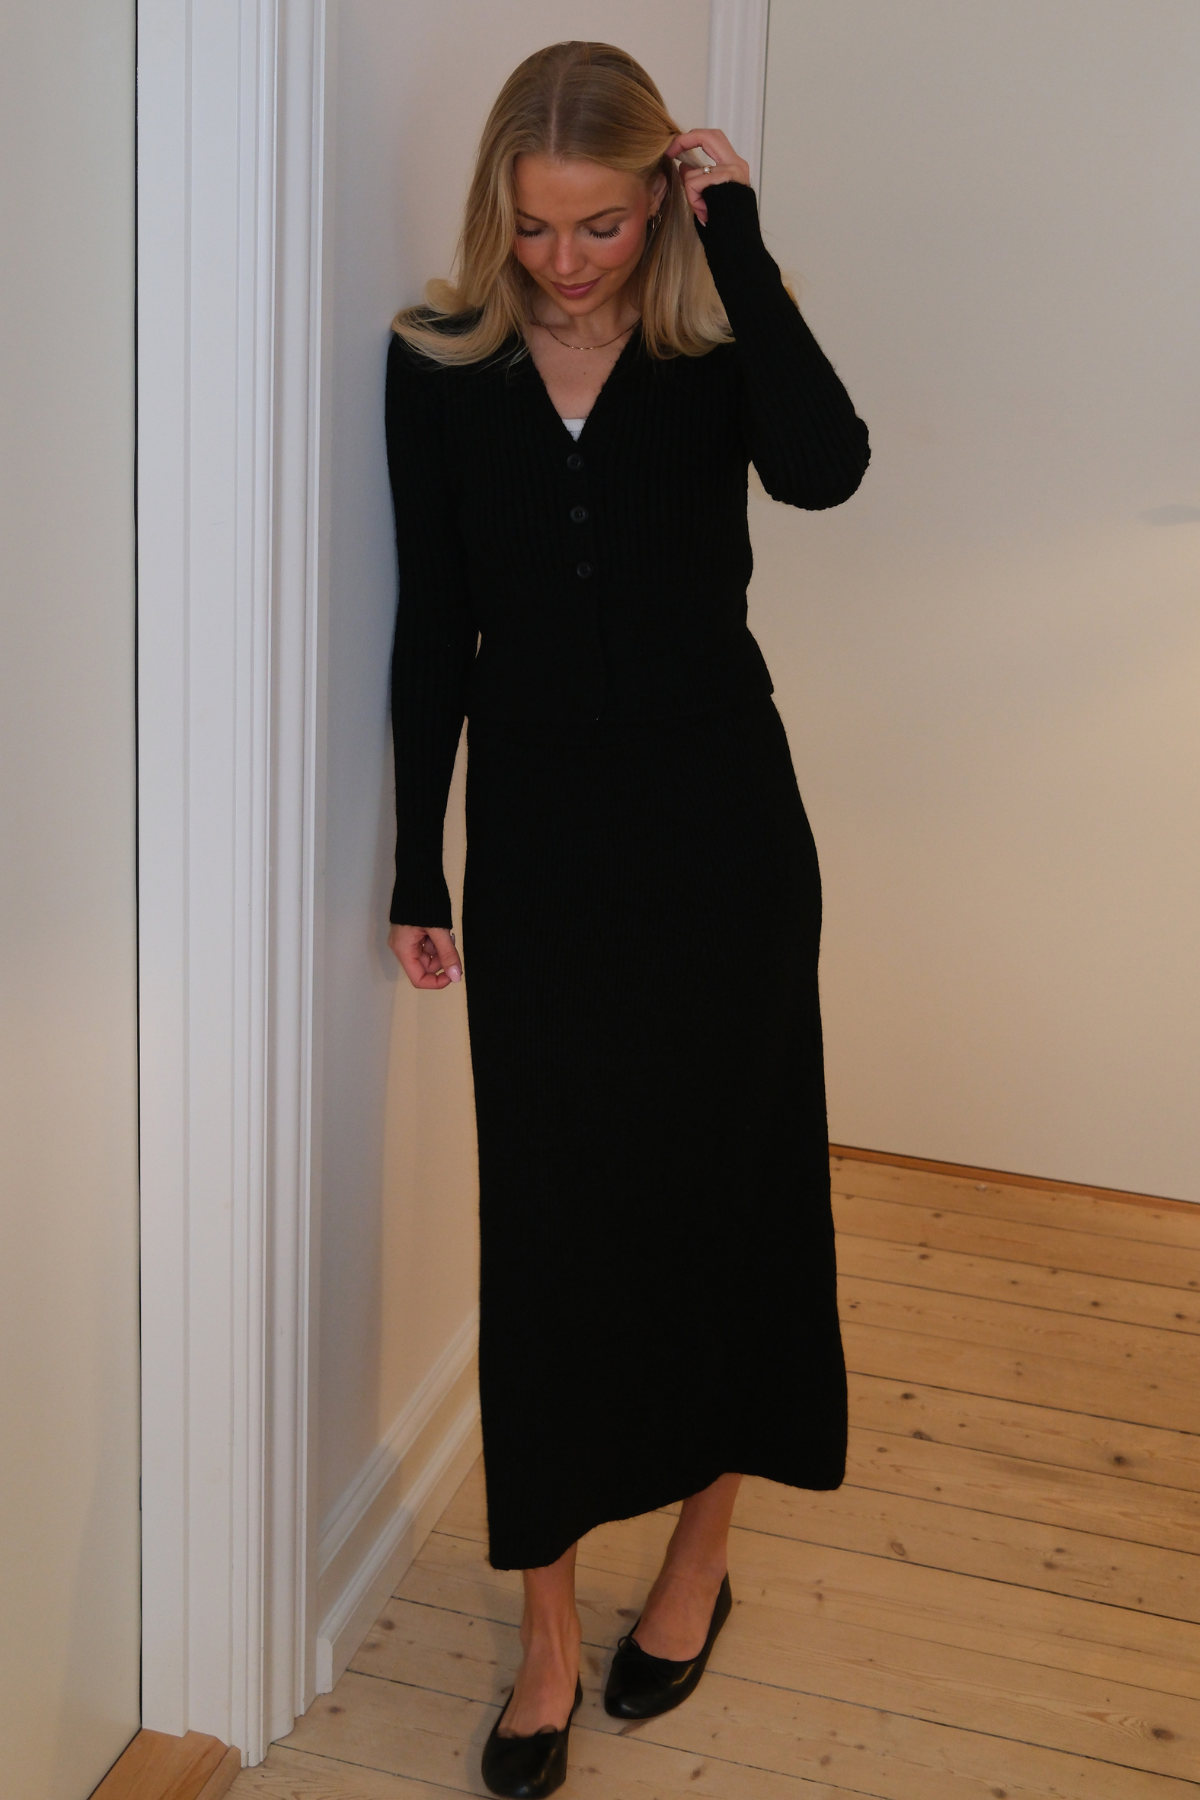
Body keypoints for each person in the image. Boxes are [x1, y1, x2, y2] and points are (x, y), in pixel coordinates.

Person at [385, 40, 869, 1799]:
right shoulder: (437, 363)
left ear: (658, 199)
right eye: (535, 227)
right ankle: (544, 1633)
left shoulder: (715, 346)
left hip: (726, 838)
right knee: (553, 1224)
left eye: (601, 224)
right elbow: (434, 617)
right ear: (495, 211)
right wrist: (416, 856)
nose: (566, 261)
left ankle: (697, 1558)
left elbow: (825, 469)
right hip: (542, 847)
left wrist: (738, 238)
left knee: (731, 1197)